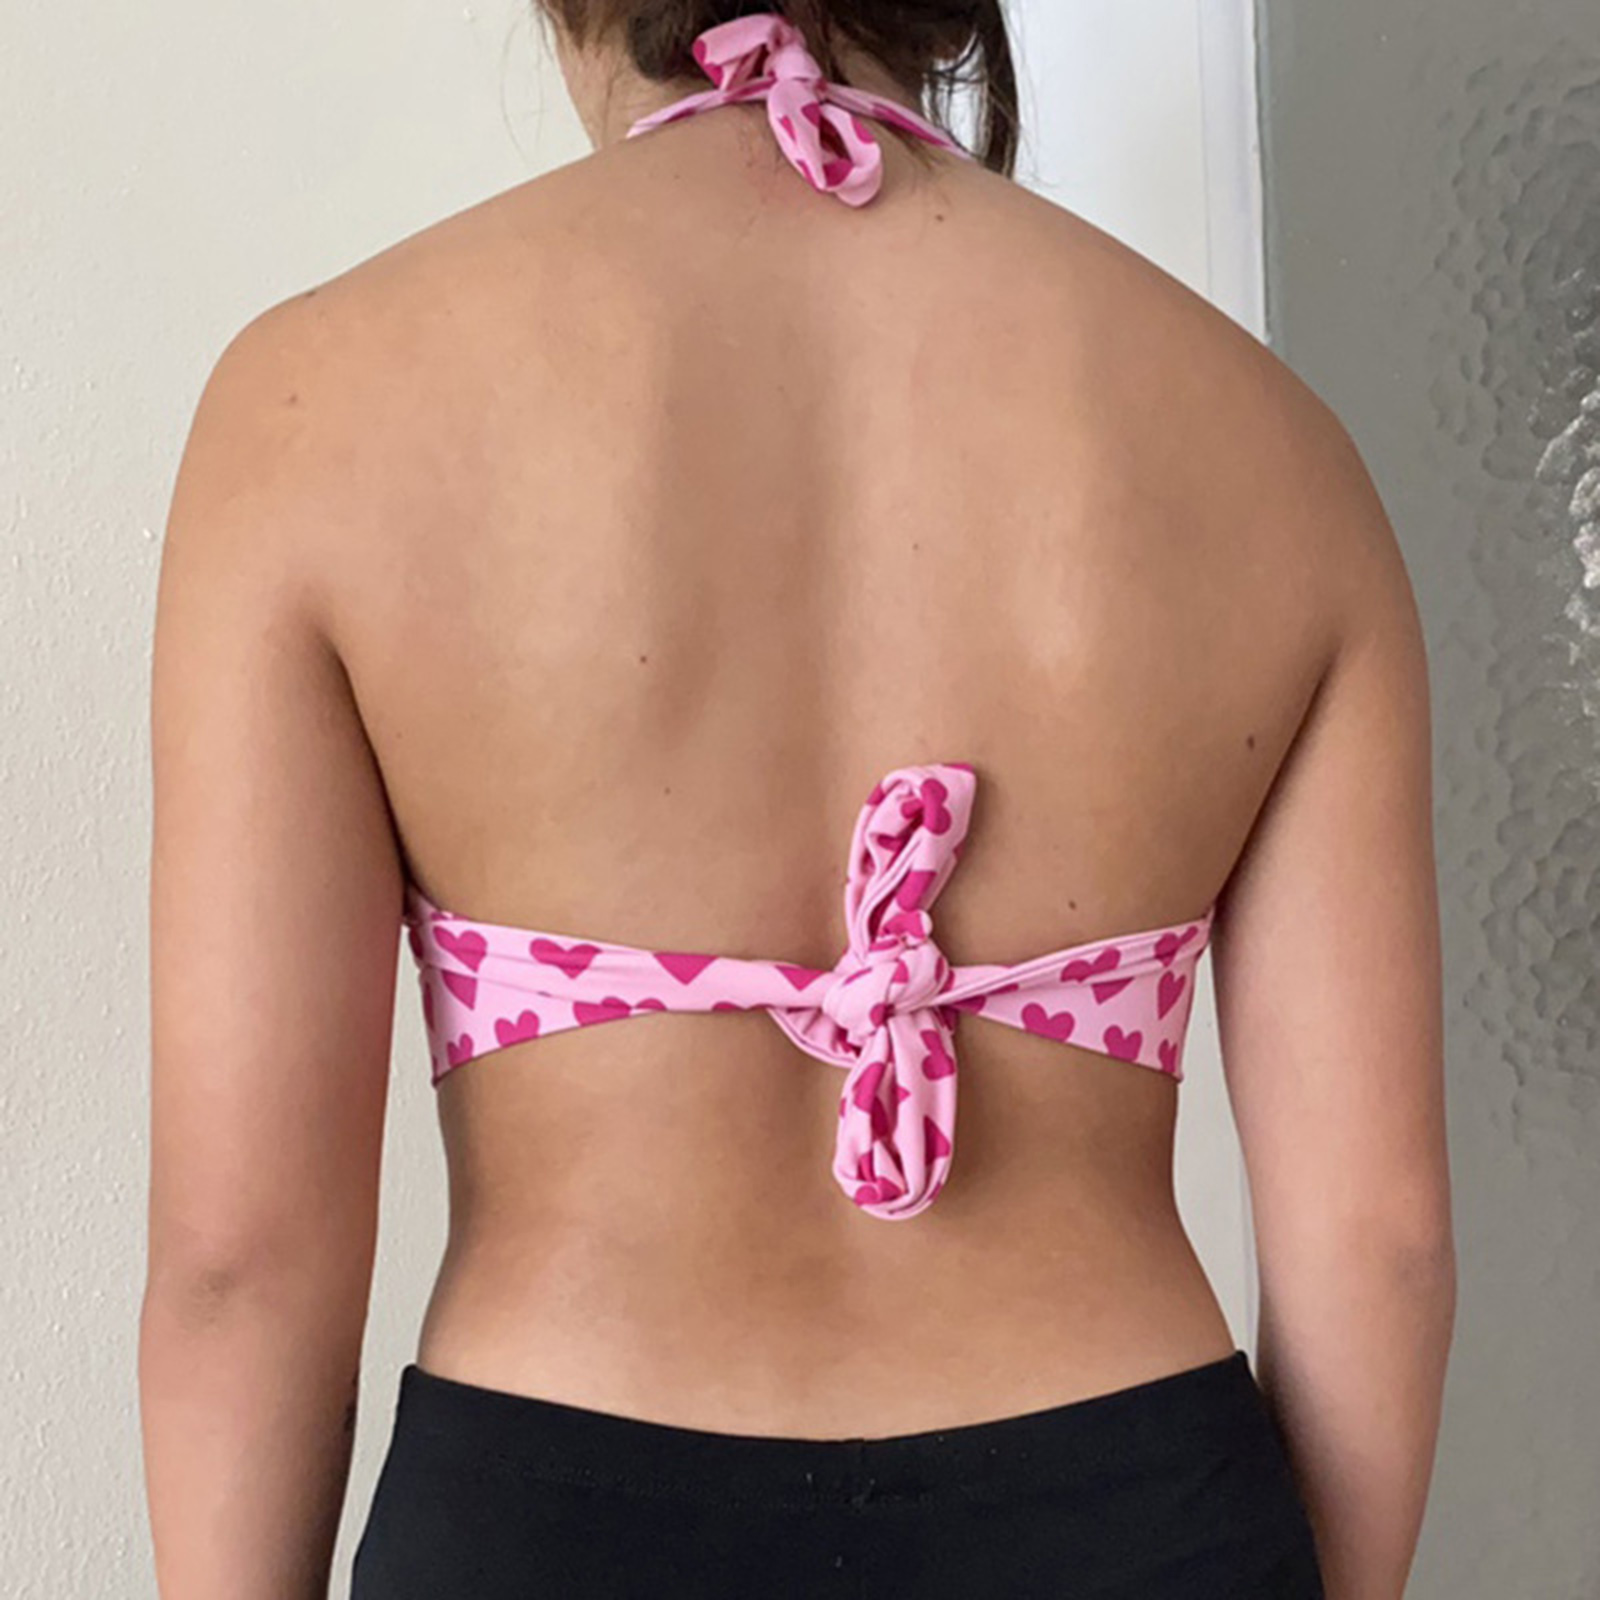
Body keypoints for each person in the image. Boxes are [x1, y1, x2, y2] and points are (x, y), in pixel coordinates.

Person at [140, 4, 1456, 1596]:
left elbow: (238, 1263)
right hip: (1136, 1512)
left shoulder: (313, 410)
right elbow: (1380, 1242)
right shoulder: (1273, 447)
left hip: (552, 1524)